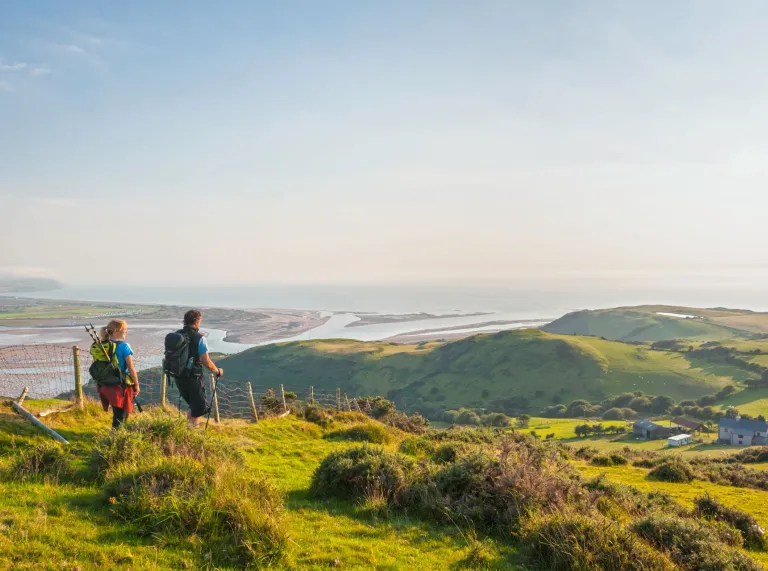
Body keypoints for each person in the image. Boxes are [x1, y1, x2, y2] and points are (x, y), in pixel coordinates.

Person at [174, 309, 223, 428]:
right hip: (193, 377)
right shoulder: (200, 338)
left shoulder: (177, 335)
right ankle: (193, 432)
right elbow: (206, 361)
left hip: (178, 376)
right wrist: (217, 371)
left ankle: (190, 430)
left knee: (193, 404)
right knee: (199, 406)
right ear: (197, 321)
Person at [96, 319, 139, 429]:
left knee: (117, 413)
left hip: (105, 383)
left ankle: (116, 438)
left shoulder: (102, 345)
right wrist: (136, 385)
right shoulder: (124, 346)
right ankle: (115, 441)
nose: (126, 332)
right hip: (121, 384)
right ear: (116, 330)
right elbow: (131, 367)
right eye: (124, 329)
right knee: (121, 416)